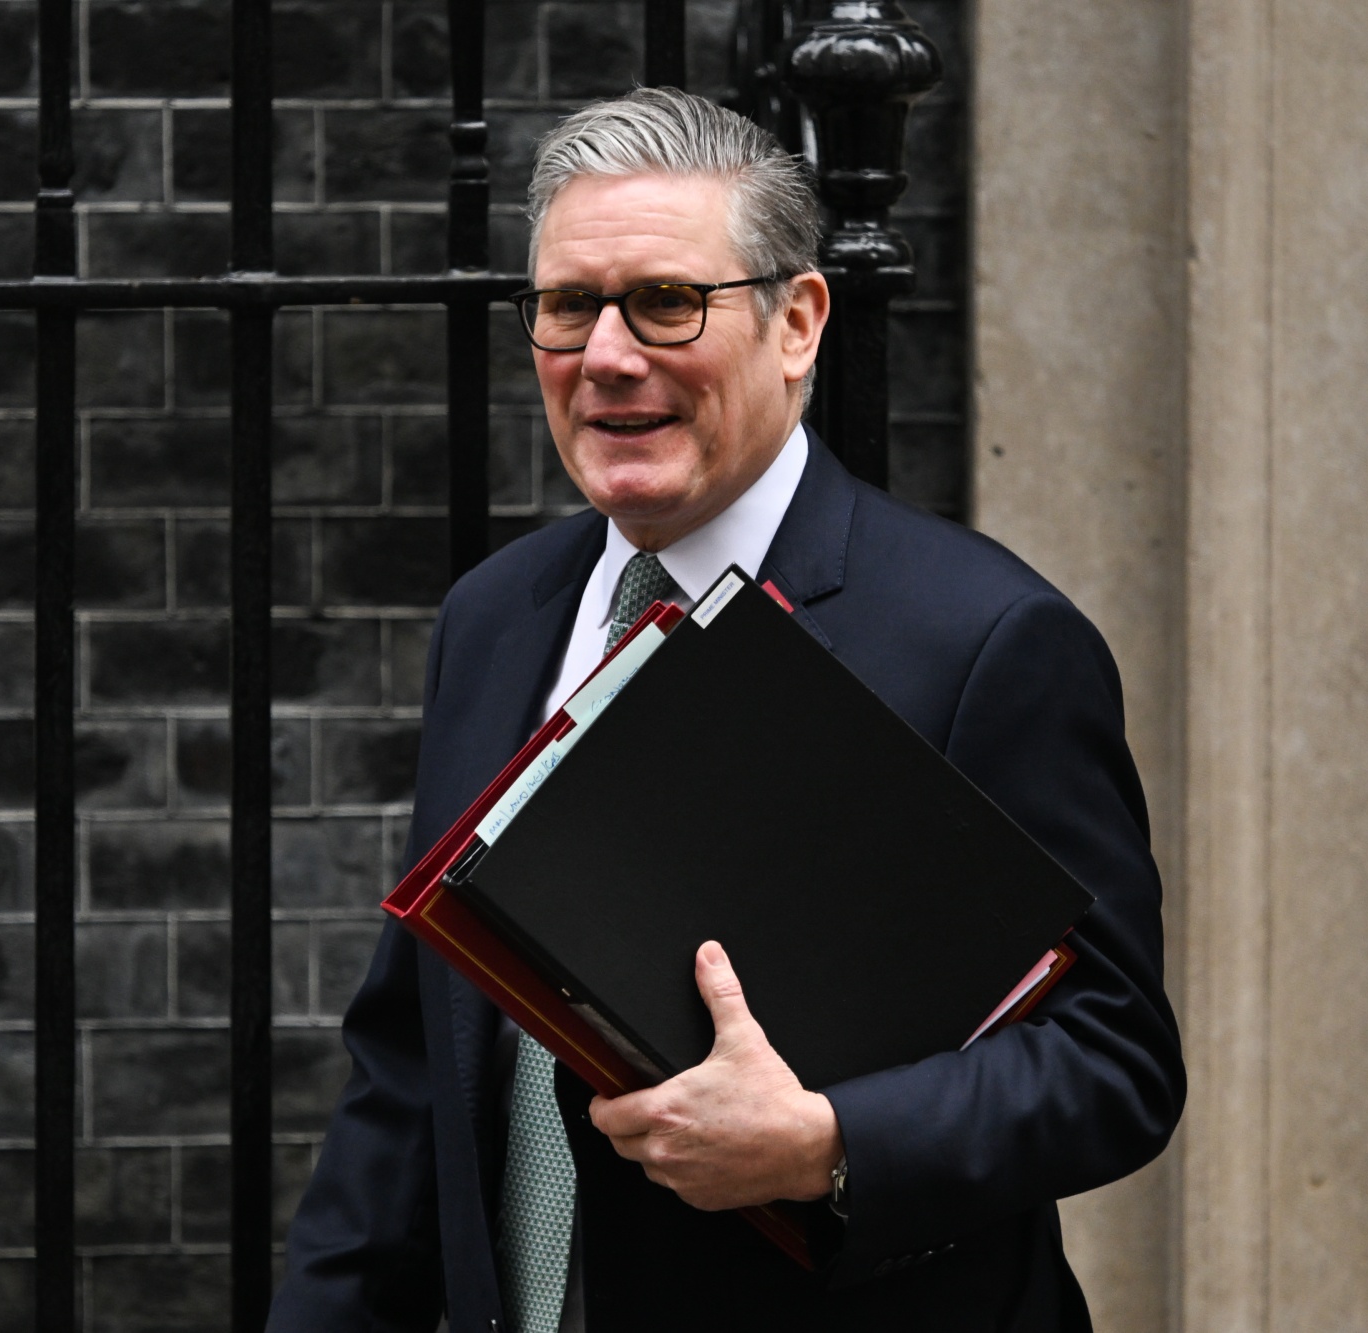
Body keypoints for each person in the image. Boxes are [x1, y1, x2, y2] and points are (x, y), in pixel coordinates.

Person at [268, 87, 1183, 1333]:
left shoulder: (983, 640)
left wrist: (827, 1140)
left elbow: (1113, 1059)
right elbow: (415, 1067)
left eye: (664, 301)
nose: (605, 355)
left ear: (796, 322)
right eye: (567, 305)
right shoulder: (493, 618)